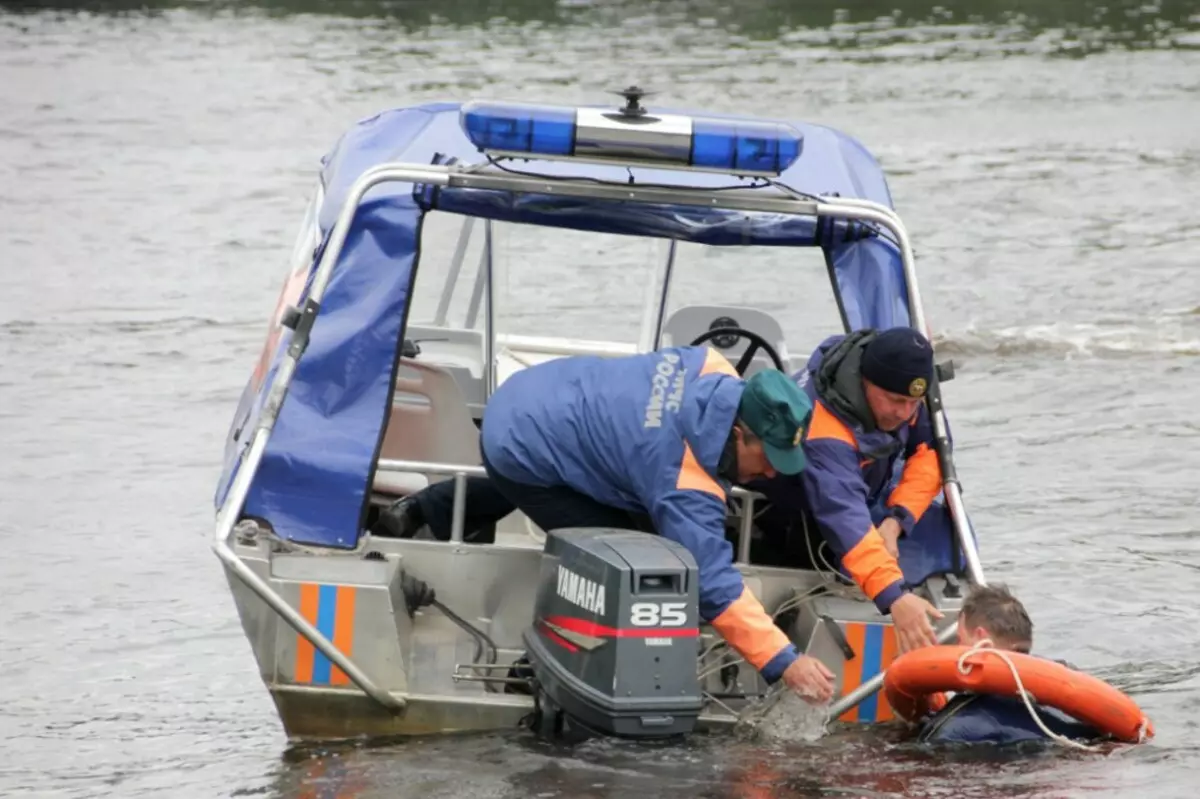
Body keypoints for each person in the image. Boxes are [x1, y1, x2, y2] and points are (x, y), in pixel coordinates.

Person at [477, 344, 835, 703]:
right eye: (769, 458)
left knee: (611, 479)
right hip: (517, 444)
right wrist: (783, 661)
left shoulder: (712, 365)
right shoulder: (682, 479)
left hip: (539, 389)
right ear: (740, 434)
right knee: (628, 568)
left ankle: (433, 509)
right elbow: (711, 584)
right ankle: (532, 671)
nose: (771, 472)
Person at [749, 326, 947, 655]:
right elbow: (845, 518)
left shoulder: (901, 387)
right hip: (788, 509)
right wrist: (894, 596)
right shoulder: (825, 428)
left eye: (914, 403)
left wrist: (897, 520)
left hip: (861, 490)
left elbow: (931, 450)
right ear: (865, 381)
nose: (904, 413)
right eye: (896, 401)